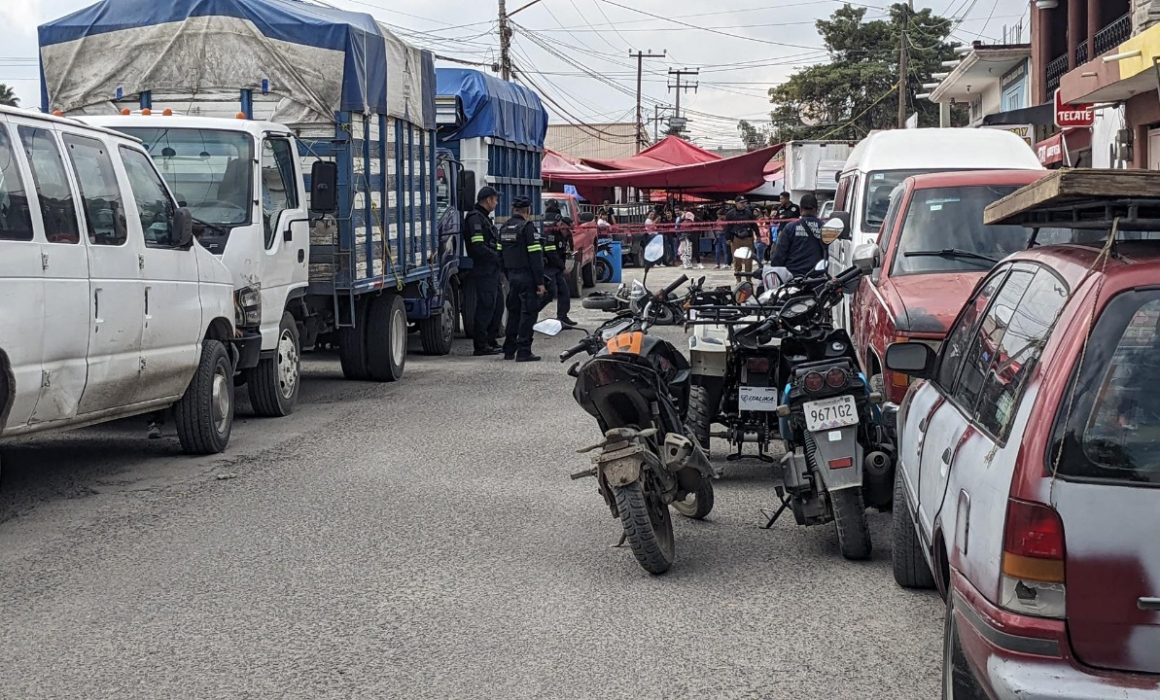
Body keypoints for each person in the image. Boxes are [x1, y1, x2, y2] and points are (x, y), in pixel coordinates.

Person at [499, 196, 546, 362]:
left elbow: (500, 255)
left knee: (513, 313)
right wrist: (540, 282)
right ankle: (524, 350)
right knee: (528, 313)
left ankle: (509, 350)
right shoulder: (528, 228)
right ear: (528, 210)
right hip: (527, 277)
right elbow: (535, 257)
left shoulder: (504, 228)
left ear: (514, 210)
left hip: (512, 276)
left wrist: (508, 274)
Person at [464, 186, 504, 356]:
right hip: (484, 269)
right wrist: (497, 257)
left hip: (493, 270)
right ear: (488, 200)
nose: (496, 202)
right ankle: (480, 345)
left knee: (497, 306)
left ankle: (491, 340)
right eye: (495, 199)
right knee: (486, 307)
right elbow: (478, 247)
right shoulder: (475, 219)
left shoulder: (485, 218)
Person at [768, 193, 829, 277]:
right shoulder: (824, 228)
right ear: (816, 209)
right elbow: (827, 255)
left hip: (793, 278)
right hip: (816, 278)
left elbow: (779, 255)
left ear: (800, 209)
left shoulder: (790, 227)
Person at [542, 205, 577, 327]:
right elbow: (551, 253)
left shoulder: (565, 234)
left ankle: (562, 317)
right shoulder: (551, 234)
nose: (567, 231)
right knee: (549, 293)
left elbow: (568, 249)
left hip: (557, 267)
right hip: (548, 267)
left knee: (564, 292)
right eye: (566, 229)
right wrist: (562, 266)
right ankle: (530, 314)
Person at [725, 195, 758, 274]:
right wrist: (728, 238)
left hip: (747, 238)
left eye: (745, 203)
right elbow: (727, 227)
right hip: (736, 238)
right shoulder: (730, 213)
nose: (744, 204)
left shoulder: (749, 212)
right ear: (736, 203)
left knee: (748, 259)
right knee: (737, 259)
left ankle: (748, 278)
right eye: (741, 203)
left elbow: (754, 225)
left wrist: (758, 235)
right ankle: (738, 279)